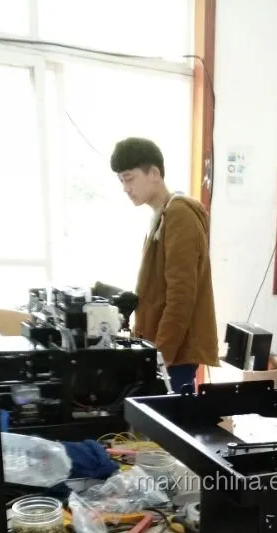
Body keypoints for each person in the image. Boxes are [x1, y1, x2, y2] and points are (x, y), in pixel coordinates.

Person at [110, 138, 219, 392]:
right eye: (121, 181)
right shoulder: (162, 216)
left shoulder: (179, 215)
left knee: (167, 416)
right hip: (161, 348)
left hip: (174, 355)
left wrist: (161, 356)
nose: (125, 188)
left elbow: (182, 295)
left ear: (154, 173)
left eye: (129, 179)